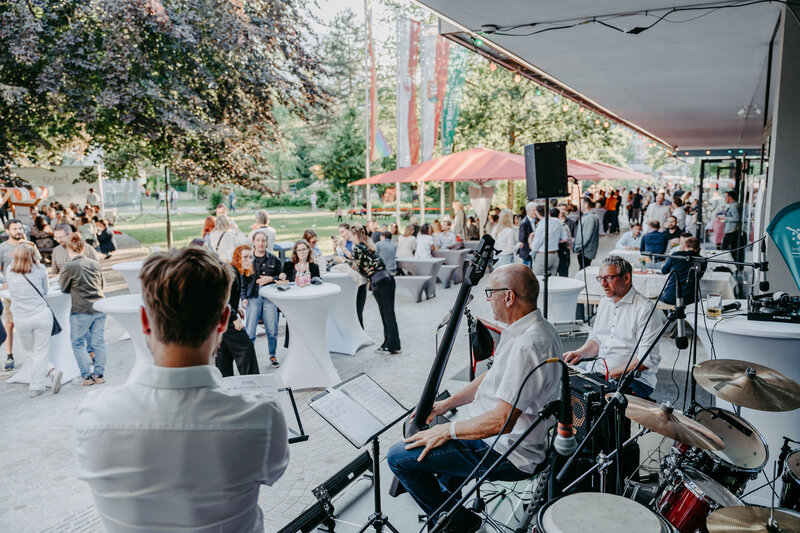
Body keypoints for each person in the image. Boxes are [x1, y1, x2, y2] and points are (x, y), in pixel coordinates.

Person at [72, 246, 288, 531]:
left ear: (145, 321)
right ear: (223, 321)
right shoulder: (262, 417)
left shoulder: (92, 416)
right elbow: (273, 471)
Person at [387, 264, 561, 530]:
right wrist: (446, 404)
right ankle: (446, 516)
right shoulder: (531, 328)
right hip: (501, 440)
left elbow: (502, 421)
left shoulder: (528, 344)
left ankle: (460, 523)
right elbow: (491, 379)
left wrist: (448, 430)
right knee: (441, 467)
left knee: (398, 457)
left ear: (509, 297)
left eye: (490, 292)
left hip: (507, 450)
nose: (488, 299)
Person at [564, 256, 663, 398]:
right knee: (560, 381)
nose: (603, 284)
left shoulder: (645, 309)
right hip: (600, 370)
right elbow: (597, 339)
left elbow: (646, 360)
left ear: (626, 278)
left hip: (634, 380)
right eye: (600, 278)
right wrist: (580, 353)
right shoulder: (605, 302)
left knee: (586, 399)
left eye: (609, 278)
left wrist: (608, 374)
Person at [4, 243, 60, 397]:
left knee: (30, 351)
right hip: (41, 314)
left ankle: (43, 381)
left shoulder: (9, 270)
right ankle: (45, 379)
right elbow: (45, 291)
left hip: (21, 318)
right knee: (40, 352)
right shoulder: (40, 269)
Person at [59, 233, 107, 386]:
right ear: (84, 249)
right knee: (99, 342)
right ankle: (99, 375)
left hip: (81, 309)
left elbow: (64, 288)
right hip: (99, 306)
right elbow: (102, 285)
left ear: (69, 250)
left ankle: (86, 377)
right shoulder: (95, 263)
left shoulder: (70, 266)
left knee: (78, 343)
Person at [345, 226, 401, 354]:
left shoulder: (359, 248)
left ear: (356, 236)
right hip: (387, 278)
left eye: (352, 236)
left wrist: (343, 260)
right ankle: (391, 343)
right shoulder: (369, 246)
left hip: (379, 281)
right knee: (389, 313)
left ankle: (391, 345)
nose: (351, 239)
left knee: (386, 314)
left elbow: (357, 267)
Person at [217, 245, 260, 377]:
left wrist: (236, 309)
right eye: (245, 257)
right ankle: (252, 384)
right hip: (226, 319)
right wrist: (234, 317)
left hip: (223, 319)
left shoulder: (236, 272)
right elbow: (222, 297)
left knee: (224, 354)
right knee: (246, 348)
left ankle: (226, 385)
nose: (249, 260)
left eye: (250, 257)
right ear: (237, 258)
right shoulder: (233, 273)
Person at [243, 231, 282, 367]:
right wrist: (243, 297)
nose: (261, 243)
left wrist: (271, 278)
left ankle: (272, 355)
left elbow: (282, 277)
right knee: (250, 331)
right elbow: (243, 281)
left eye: (263, 240)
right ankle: (249, 358)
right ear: (253, 242)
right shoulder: (248, 260)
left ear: (267, 242)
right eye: (258, 240)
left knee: (272, 329)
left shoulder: (274, 260)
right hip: (253, 297)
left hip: (270, 298)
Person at [0, 218, 30, 370]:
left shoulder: (28, 245)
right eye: (15, 229)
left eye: (20, 228)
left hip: (28, 292)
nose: (18, 231)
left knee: (29, 324)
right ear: (7, 231)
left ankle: (33, 356)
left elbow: (36, 264)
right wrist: (3, 281)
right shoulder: (2, 248)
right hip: (9, 293)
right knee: (10, 324)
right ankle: (9, 356)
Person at [661, 237, 704, 306]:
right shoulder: (702, 260)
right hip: (689, 299)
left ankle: (667, 315)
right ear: (699, 249)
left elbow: (664, 271)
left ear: (685, 246)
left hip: (670, 297)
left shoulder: (676, 255)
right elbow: (698, 276)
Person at [529, 205, 567, 278]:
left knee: (537, 280)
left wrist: (530, 240)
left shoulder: (541, 226)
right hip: (555, 255)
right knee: (552, 281)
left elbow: (534, 248)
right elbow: (565, 238)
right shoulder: (557, 221)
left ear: (537, 213)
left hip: (542, 257)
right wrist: (553, 240)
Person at [573, 198, 600, 268]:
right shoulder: (587, 216)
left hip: (585, 252)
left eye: (580, 203)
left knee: (583, 273)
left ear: (586, 204)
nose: (578, 206)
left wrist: (578, 248)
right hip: (584, 251)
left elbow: (586, 237)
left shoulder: (589, 217)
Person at [717, 190, 743, 262]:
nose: (725, 199)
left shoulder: (734, 206)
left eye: (726, 197)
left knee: (724, 248)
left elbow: (736, 218)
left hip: (731, 231)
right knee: (732, 249)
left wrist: (725, 218)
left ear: (730, 197)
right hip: (732, 230)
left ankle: (724, 263)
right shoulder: (733, 205)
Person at [517, 201, 536, 267]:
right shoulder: (524, 222)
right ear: (528, 211)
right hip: (527, 252)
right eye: (533, 210)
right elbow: (522, 239)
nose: (535, 212)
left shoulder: (535, 220)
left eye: (536, 210)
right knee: (527, 271)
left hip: (532, 250)